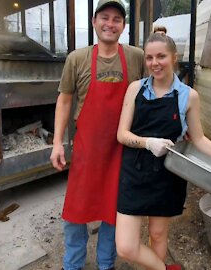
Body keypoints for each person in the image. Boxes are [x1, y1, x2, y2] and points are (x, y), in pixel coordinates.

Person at [114, 31, 211, 270]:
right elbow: (122, 134)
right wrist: (147, 142)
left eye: (161, 56)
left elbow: (199, 138)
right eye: (149, 58)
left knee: (158, 235)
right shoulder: (135, 89)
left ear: (174, 57)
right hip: (134, 172)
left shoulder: (189, 96)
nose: (154, 63)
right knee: (125, 246)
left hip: (167, 175)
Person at [49, 1, 145, 269]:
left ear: (123, 26)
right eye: (105, 17)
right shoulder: (77, 58)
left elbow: (152, 92)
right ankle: (73, 264)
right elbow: (65, 100)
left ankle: (106, 263)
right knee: (76, 211)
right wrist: (57, 143)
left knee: (114, 211)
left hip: (122, 149)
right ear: (94, 22)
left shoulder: (136, 57)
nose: (110, 24)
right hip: (87, 148)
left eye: (117, 19)